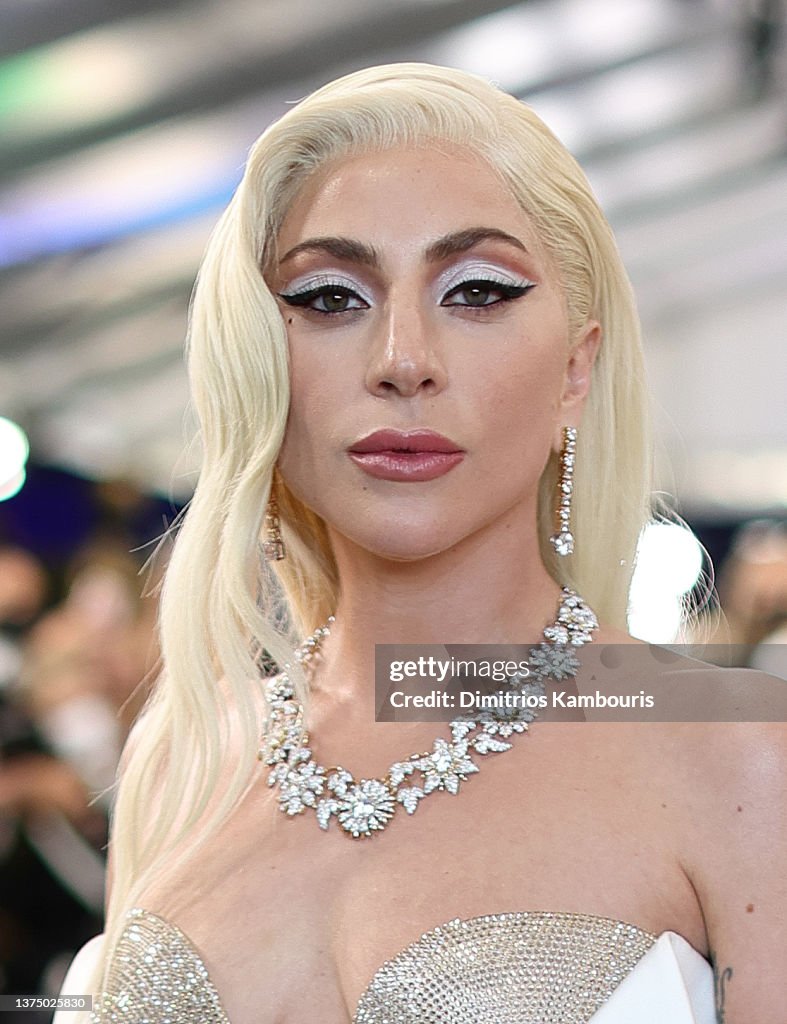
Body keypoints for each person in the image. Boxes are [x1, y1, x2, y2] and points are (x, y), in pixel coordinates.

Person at [57, 63, 785, 1024]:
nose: (402, 359)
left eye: (477, 291)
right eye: (328, 298)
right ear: (258, 359)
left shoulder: (739, 752)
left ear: (576, 370)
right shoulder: (186, 755)